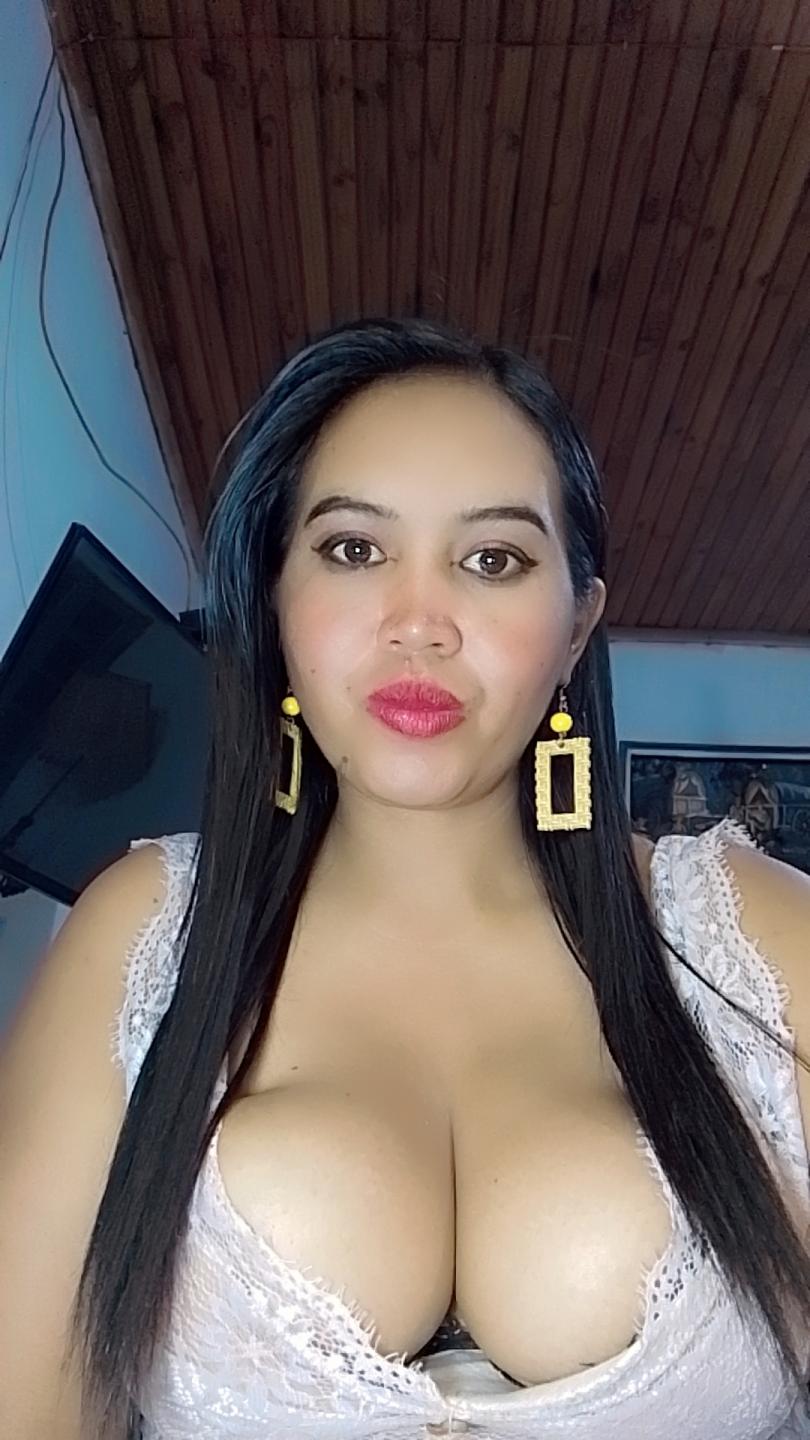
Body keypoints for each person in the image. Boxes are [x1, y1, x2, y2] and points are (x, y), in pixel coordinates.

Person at [3, 317, 810, 1440]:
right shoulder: (141, 939)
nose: (420, 625)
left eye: (493, 560)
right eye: (353, 550)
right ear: (274, 600)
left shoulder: (758, 937)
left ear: (577, 626)